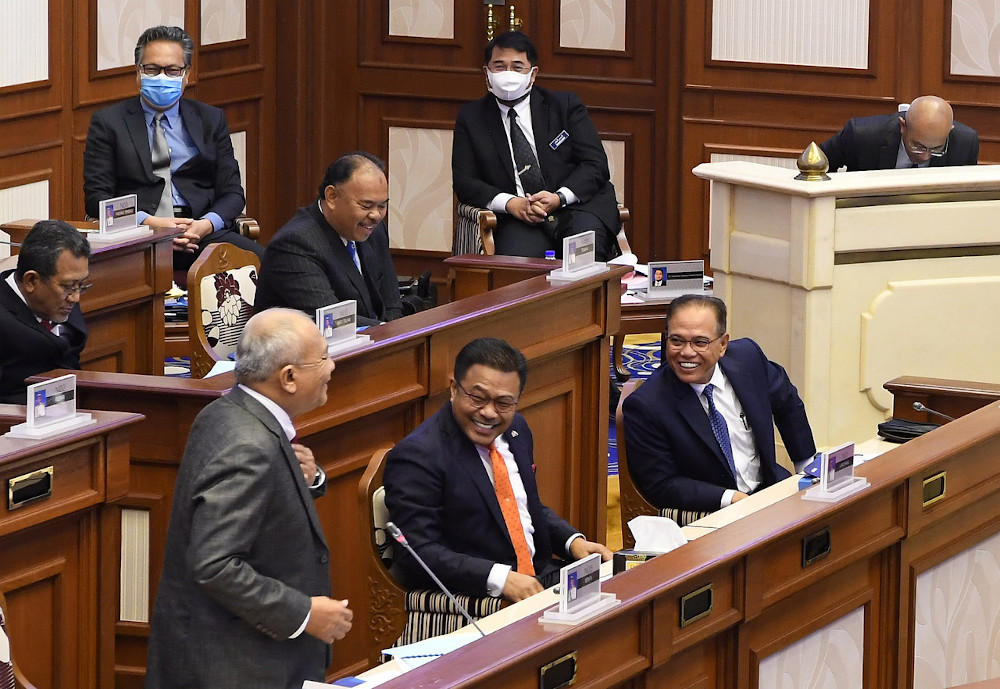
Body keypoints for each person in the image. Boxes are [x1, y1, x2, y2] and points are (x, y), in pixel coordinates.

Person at [144, 308, 352, 689]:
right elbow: (215, 564)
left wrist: (306, 477)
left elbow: (260, 503)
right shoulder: (249, 445)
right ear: (288, 377)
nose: (332, 366)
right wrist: (303, 613)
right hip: (237, 668)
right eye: (323, 357)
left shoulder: (228, 412)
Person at [383, 337, 612, 603]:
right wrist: (501, 579)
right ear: (454, 388)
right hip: (478, 596)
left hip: (539, 574)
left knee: (619, 595)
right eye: (478, 398)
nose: (490, 413)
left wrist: (573, 542)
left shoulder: (517, 431)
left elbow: (521, 506)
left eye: (504, 404)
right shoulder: (419, 454)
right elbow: (417, 554)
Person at [83, 25, 262, 273]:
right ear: (138, 73)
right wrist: (150, 223)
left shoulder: (210, 119)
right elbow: (97, 199)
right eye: (153, 69)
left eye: (172, 70)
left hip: (201, 235)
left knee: (270, 266)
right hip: (139, 238)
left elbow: (232, 193)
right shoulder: (108, 123)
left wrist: (205, 225)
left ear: (186, 74)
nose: (161, 77)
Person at [622, 295, 817, 514]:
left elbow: (787, 404)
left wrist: (807, 467)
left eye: (700, 342)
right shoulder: (647, 405)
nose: (687, 352)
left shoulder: (748, 358)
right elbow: (661, 483)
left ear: (723, 344)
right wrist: (731, 499)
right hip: (712, 512)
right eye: (676, 340)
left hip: (769, 490)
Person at [452, 31, 620, 261]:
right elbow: (464, 181)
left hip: (577, 207)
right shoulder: (471, 118)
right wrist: (511, 203)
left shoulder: (565, 106)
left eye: (517, 67)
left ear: (532, 74)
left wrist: (559, 197)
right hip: (519, 216)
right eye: (499, 66)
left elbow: (596, 165)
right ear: (486, 73)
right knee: (519, 272)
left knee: (582, 261)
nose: (508, 74)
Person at [255, 152, 403, 327]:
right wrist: (386, 333)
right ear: (332, 197)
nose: (376, 215)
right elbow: (333, 321)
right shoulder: (294, 245)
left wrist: (396, 335)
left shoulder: (372, 230)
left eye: (382, 206)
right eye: (366, 205)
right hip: (301, 351)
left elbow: (392, 304)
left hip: (367, 344)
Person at [0, 220, 91, 403]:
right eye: (69, 287)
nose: (75, 297)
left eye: (80, 285)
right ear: (31, 281)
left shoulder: (62, 297)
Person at [819, 95, 979, 171]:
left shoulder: (965, 144)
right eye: (918, 146)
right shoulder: (861, 135)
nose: (925, 156)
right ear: (903, 126)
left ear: (949, 132)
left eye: (936, 149)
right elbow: (814, 165)